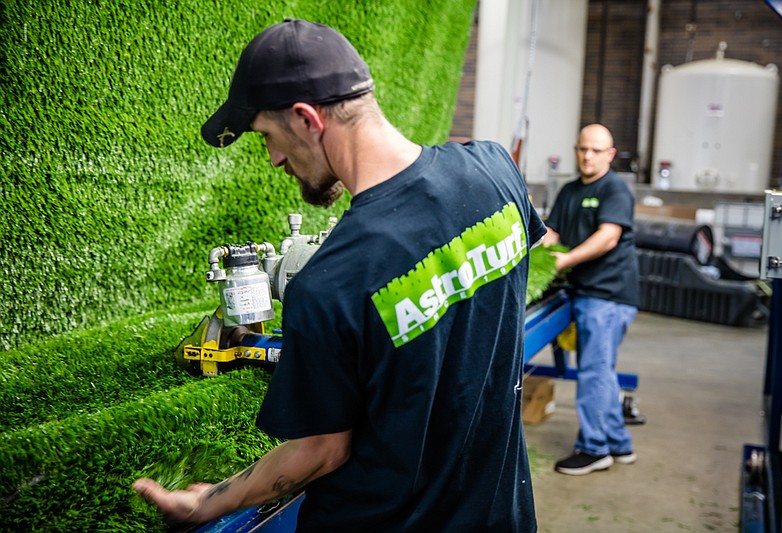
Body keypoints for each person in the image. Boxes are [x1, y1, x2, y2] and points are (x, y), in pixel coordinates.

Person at [133, 18, 547, 531]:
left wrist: (206, 503)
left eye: (268, 136)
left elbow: (321, 452)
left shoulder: (330, 283)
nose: (274, 159)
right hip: (501, 515)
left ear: (307, 118)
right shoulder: (493, 169)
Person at [542, 124, 639, 476]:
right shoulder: (569, 191)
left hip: (608, 295)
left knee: (593, 372)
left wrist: (565, 261)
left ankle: (594, 448)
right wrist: (537, 254)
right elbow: (552, 233)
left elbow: (608, 237)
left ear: (610, 154)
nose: (588, 156)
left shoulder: (615, 190)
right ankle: (618, 442)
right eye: (583, 149)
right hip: (585, 292)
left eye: (596, 150)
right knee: (601, 370)